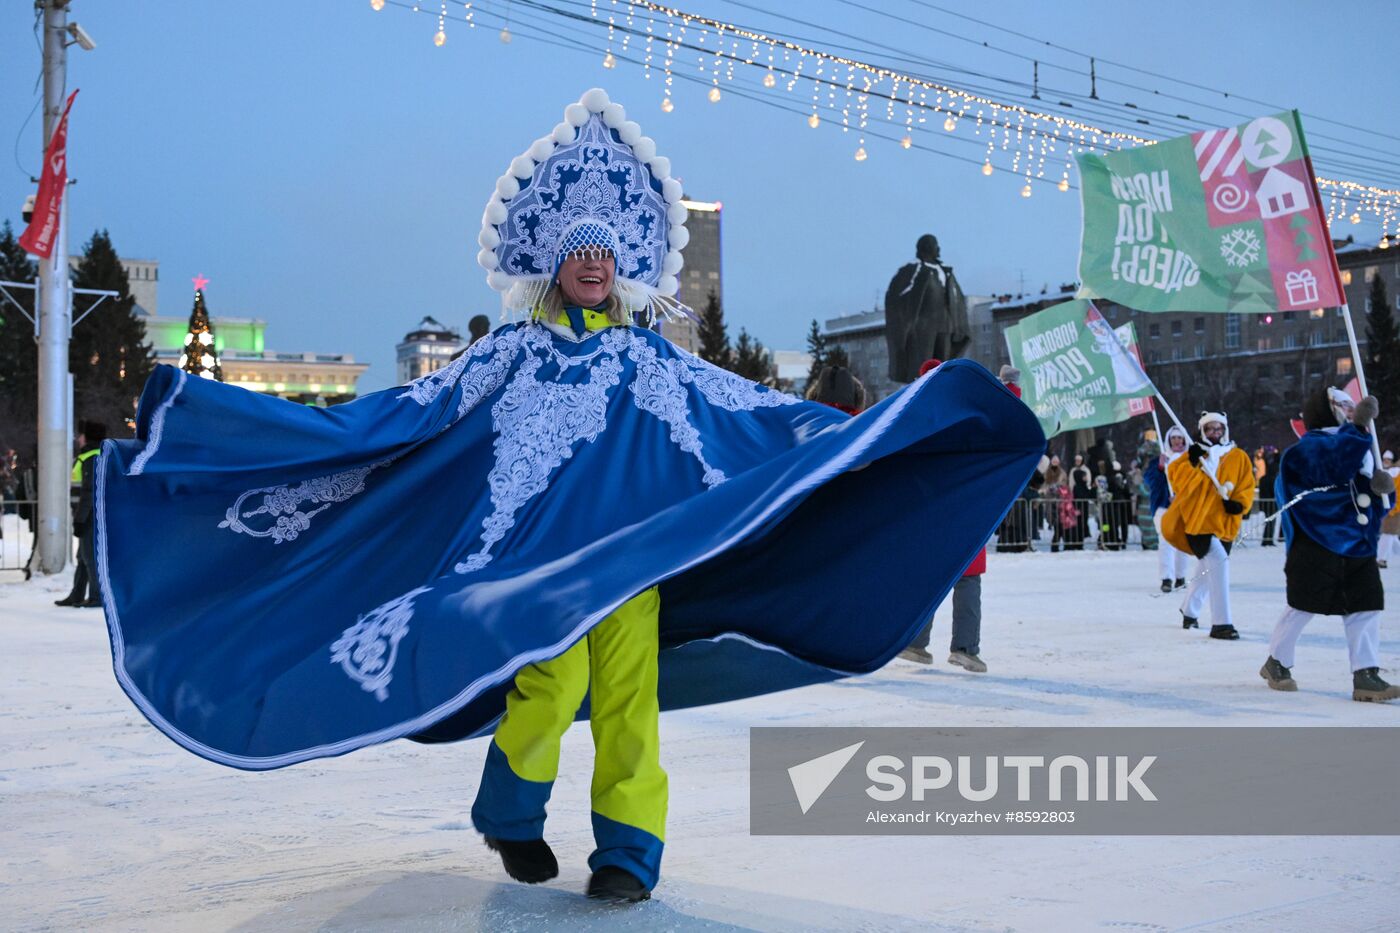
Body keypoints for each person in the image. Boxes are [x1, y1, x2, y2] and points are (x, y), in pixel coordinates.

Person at [94, 89, 1045, 905]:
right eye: (579, 248)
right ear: (553, 259)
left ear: (621, 264)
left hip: (631, 556)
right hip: (532, 560)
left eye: (606, 250)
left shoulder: (648, 358)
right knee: (548, 684)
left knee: (630, 697)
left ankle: (629, 852)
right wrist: (223, 420)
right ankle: (511, 812)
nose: (594, 262)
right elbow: (406, 414)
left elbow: (744, 410)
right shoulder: (510, 353)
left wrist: (870, 430)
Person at [1261, 389, 1399, 701]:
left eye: (1353, 406)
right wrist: (1359, 429)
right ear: (1326, 411)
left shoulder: (1357, 445)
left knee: (1365, 607)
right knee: (1303, 606)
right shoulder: (1307, 449)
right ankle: (1277, 661)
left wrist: (1383, 494)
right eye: (1344, 405)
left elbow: (1366, 503)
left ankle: (1365, 673)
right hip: (1316, 540)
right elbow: (1334, 467)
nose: (1351, 409)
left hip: (1358, 544)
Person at [1161, 412, 1256, 639]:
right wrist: (1192, 463)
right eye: (1210, 429)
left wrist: (1240, 504)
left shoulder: (1238, 456)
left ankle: (1189, 610)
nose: (1215, 433)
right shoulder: (1194, 455)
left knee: (1207, 569)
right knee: (1219, 563)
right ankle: (1222, 624)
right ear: (1202, 430)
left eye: (1218, 428)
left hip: (1224, 523)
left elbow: (1246, 484)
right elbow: (1177, 482)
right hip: (1198, 523)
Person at [55, 421, 104, 608]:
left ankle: (96, 596)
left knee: (89, 557)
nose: (78, 438)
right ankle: (77, 594)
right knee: (82, 557)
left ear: (87, 437)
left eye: (81, 434)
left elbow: (88, 492)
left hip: (90, 515)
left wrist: (80, 519)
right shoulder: (91, 456)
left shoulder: (91, 457)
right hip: (88, 514)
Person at [1145, 425, 1192, 592]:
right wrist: (1159, 468)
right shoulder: (1161, 460)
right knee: (1165, 542)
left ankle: (1180, 576)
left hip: (1184, 506)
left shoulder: (1191, 460)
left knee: (1183, 543)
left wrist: (1181, 496)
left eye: (1180, 438)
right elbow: (1149, 480)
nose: (1177, 441)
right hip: (1163, 507)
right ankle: (1166, 578)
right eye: (1173, 438)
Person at [1378, 449, 1399, 568]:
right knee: (1392, 535)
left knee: (1388, 534)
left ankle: (1381, 559)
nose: (1386, 461)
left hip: (1394, 508)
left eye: (1388, 460)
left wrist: (1395, 507)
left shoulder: (1395, 473)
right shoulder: (1387, 472)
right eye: (1384, 459)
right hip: (1389, 507)